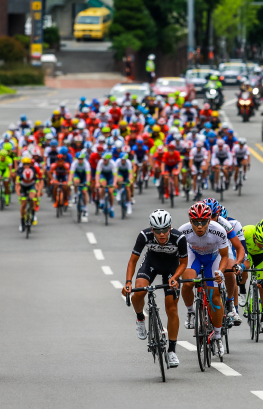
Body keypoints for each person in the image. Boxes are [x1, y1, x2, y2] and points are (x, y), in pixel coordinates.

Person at [122, 209, 187, 367]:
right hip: (151, 264)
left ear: (170, 227)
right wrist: (128, 282)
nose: (162, 234)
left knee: (171, 308)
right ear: (152, 229)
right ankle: (140, 318)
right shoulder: (144, 236)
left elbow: (184, 263)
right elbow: (133, 261)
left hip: (172, 267)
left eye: (165, 229)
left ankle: (171, 351)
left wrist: (175, 277)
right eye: (157, 231)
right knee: (139, 292)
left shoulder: (179, 238)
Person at [179, 202, 231, 358]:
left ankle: (217, 335)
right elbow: (179, 258)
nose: (199, 226)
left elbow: (225, 256)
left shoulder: (219, 231)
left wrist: (220, 272)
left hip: (213, 258)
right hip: (193, 256)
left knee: (214, 296)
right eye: (195, 222)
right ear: (190, 221)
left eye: (203, 222)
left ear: (210, 221)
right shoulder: (183, 231)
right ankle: (190, 312)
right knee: (188, 282)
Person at [237, 220, 263, 333]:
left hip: (261, 257)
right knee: (244, 269)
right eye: (259, 242)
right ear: (254, 236)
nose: (261, 245)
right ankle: (242, 291)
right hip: (246, 252)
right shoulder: (245, 231)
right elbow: (236, 247)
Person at [15, 157, 42, 231]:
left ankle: (33, 214)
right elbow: (17, 186)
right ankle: (22, 221)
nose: (26, 166)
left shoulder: (33, 171)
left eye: (28, 164)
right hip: (23, 187)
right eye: (24, 164)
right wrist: (19, 195)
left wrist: (37, 194)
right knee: (23, 204)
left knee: (32, 198)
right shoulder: (20, 172)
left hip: (31, 186)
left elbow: (38, 185)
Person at [95, 152, 117, 218]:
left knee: (111, 191)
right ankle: (101, 201)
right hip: (103, 175)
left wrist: (114, 183)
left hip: (110, 176)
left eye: (105, 160)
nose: (104, 161)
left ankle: (112, 208)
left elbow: (115, 176)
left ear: (109, 160)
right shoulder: (100, 162)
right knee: (103, 185)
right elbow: (97, 174)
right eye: (103, 159)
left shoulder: (113, 163)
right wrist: (97, 183)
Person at [70, 152, 91, 220]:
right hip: (77, 175)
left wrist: (87, 182)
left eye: (81, 159)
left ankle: (85, 207)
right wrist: (70, 181)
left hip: (84, 176)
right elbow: (71, 174)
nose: (80, 160)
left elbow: (88, 175)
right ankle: (76, 194)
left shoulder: (86, 164)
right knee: (76, 181)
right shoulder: (74, 163)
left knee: (84, 192)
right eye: (79, 159)